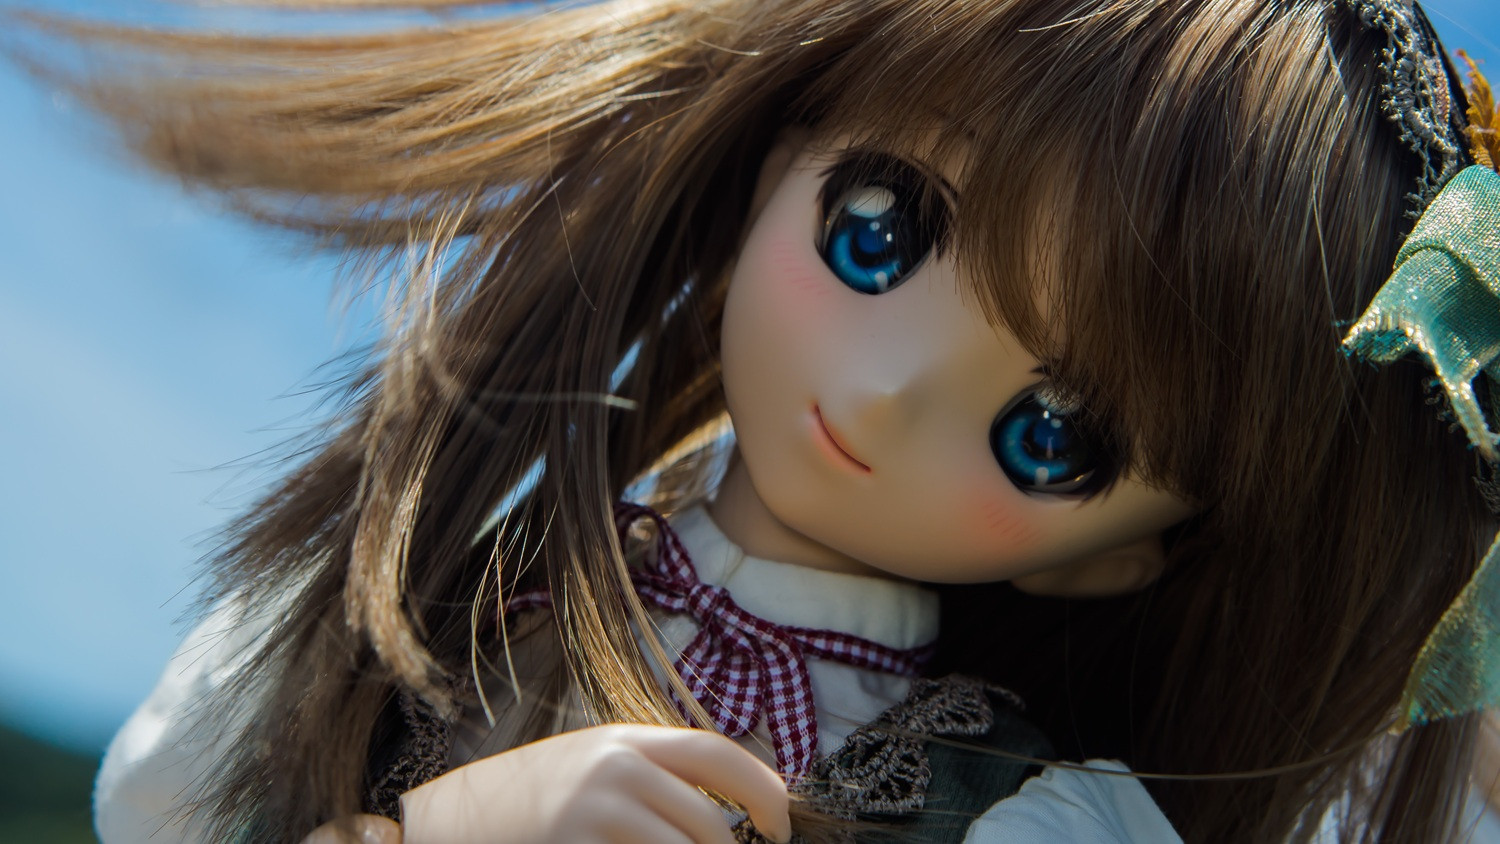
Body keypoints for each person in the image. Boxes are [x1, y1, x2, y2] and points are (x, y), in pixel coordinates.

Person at [29, 0, 1495, 840]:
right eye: (878, 230)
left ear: (1125, 553)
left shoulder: (1022, 812)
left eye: (1054, 435)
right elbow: (163, 805)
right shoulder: (453, 602)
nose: (884, 387)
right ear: (769, 165)